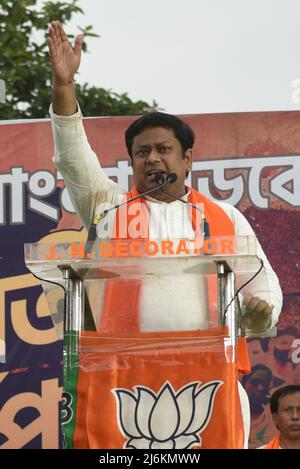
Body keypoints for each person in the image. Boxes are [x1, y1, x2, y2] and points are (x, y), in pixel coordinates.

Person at [48, 21, 283, 448]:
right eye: (142, 152)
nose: (152, 159)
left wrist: (258, 313)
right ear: (132, 161)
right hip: (119, 382)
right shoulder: (108, 208)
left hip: (209, 381)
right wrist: (64, 87)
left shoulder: (225, 217)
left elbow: (263, 287)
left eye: (163, 149)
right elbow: (72, 157)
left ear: (187, 158)